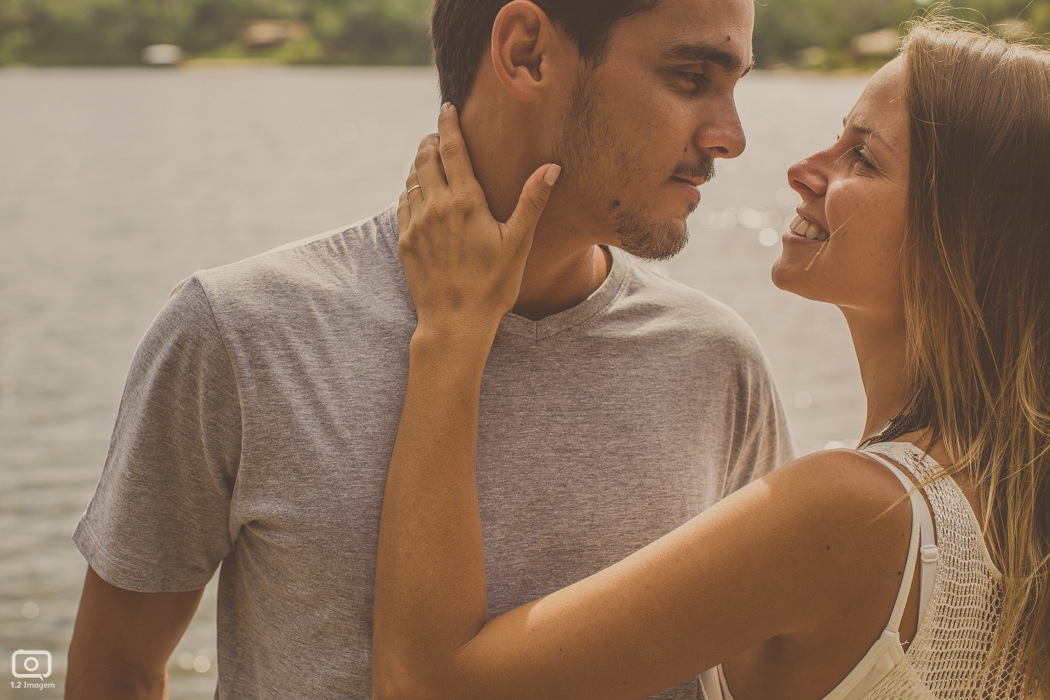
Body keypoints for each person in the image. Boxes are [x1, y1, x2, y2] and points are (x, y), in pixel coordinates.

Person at [64, 0, 792, 698]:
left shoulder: (718, 362)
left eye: (734, 88)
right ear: (526, 54)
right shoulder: (241, 331)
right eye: (692, 80)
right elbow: (118, 672)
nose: (730, 136)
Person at [372, 19, 1050, 700]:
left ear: (964, 234)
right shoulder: (1005, 509)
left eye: (862, 158)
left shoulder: (850, 512)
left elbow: (429, 686)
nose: (803, 168)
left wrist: (452, 332)